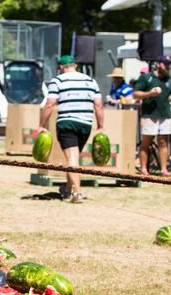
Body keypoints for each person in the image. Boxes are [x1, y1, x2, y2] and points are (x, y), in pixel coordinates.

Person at [37, 55, 103, 203]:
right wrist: (100, 126)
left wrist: (41, 125)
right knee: (74, 157)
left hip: (67, 123)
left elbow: (49, 104)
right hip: (86, 124)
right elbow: (98, 105)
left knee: (72, 158)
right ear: (75, 66)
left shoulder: (58, 80)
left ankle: (77, 192)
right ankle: (67, 189)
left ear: (61, 67)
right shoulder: (90, 81)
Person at [132, 55, 171, 177]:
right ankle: (144, 169)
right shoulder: (146, 78)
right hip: (150, 114)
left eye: (169, 64)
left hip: (165, 114)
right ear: (158, 64)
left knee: (163, 142)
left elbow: (168, 96)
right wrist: (150, 93)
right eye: (165, 64)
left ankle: (163, 169)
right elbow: (136, 93)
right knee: (146, 142)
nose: (168, 66)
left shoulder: (169, 79)